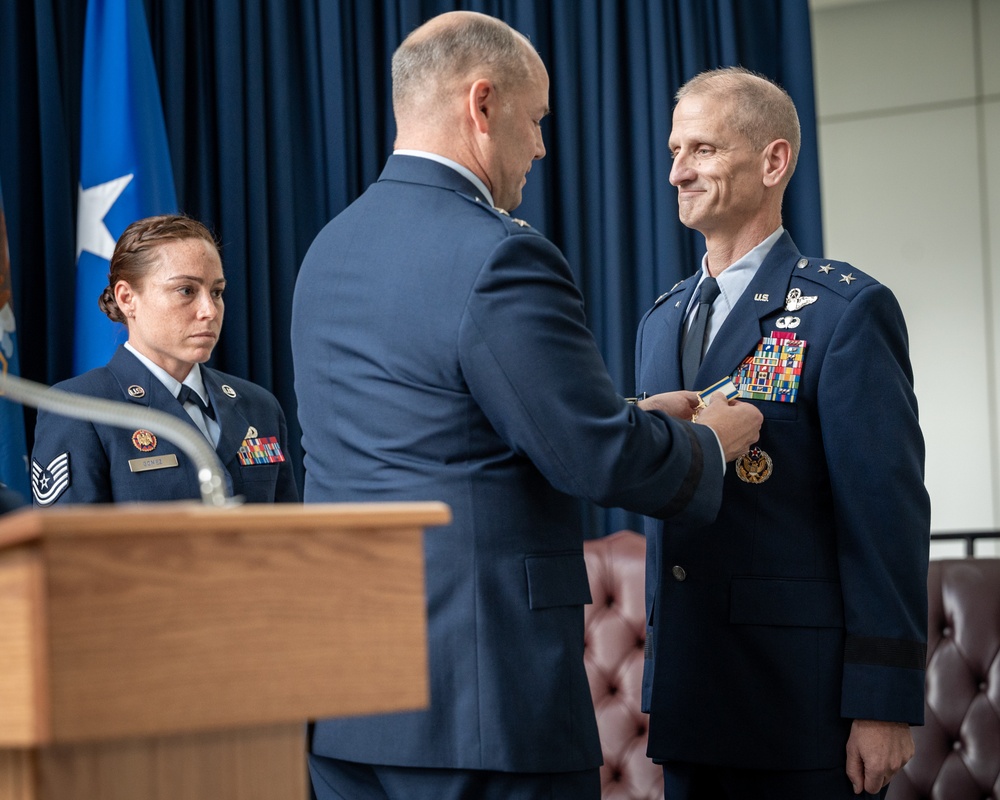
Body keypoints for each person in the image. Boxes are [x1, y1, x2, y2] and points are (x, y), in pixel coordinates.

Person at [292, 11, 761, 800]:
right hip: (481, 706)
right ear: (483, 105)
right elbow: (588, 453)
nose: (542, 147)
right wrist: (710, 442)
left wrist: (637, 410)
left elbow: (445, 421)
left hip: (350, 702)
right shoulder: (499, 250)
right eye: (537, 120)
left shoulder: (327, 251)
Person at [634, 67, 930, 800]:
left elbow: (884, 517)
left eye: (702, 149)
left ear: (773, 161)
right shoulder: (660, 320)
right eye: (674, 150)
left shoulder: (843, 311)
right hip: (689, 691)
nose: (677, 171)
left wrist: (883, 701)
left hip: (799, 705)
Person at [30, 214, 298, 505]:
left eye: (217, 292)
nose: (209, 310)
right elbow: (69, 548)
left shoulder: (258, 406)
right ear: (127, 298)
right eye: (186, 290)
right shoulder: (78, 408)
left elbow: (292, 537)